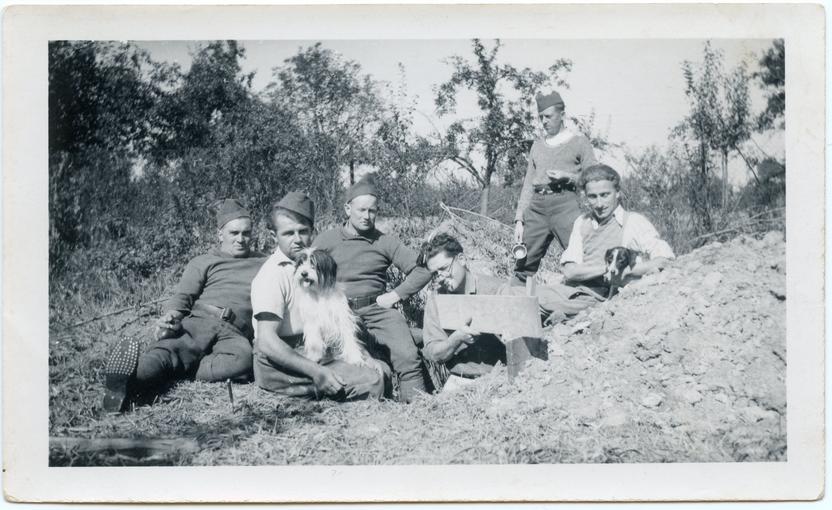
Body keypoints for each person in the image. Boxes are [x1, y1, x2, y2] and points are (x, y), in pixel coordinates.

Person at [102, 199, 267, 413]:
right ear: (220, 235)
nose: (241, 239)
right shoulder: (203, 261)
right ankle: (125, 384)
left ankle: (176, 371)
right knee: (166, 352)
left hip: (236, 332)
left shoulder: (264, 262)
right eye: (234, 233)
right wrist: (171, 317)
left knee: (243, 362)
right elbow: (183, 297)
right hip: (201, 320)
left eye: (246, 233)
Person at [250, 191, 385, 400]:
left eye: (302, 231)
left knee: (381, 369)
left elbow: (336, 321)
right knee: (372, 380)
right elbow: (266, 342)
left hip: (315, 348)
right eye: (288, 233)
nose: (297, 240)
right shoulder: (272, 274)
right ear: (273, 236)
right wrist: (317, 373)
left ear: (313, 231)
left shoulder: (314, 264)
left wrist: (363, 356)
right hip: (280, 358)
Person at [313, 174, 433, 403]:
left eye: (373, 211)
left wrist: (394, 295)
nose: (367, 216)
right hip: (339, 313)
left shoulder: (384, 241)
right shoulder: (326, 240)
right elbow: (303, 273)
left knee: (408, 357)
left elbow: (423, 270)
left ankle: (418, 411)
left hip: (377, 312)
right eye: (361, 210)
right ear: (348, 209)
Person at [537, 163, 675, 324]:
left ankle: (561, 317)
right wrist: (609, 268)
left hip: (598, 298)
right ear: (586, 196)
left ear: (617, 193)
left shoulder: (632, 222)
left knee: (529, 301)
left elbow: (665, 259)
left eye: (605, 195)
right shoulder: (582, 222)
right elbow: (570, 271)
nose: (599, 204)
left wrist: (626, 272)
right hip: (572, 291)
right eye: (593, 197)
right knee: (513, 292)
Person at [513, 91, 598, 284]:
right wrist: (519, 219)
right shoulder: (537, 146)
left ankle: (594, 299)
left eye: (548, 116)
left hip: (565, 205)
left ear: (562, 115)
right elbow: (528, 184)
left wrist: (568, 177)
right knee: (523, 263)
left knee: (583, 256)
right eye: (541, 117)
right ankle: (515, 302)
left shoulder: (579, 142)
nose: (544, 121)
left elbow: (595, 178)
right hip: (537, 208)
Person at [417, 233, 510, 390]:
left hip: (503, 377)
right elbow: (434, 353)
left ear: (461, 259)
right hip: (460, 380)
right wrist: (456, 338)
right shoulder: (436, 300)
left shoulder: (497, 289)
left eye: (444, 269)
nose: (440, 277)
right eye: (435, 274)